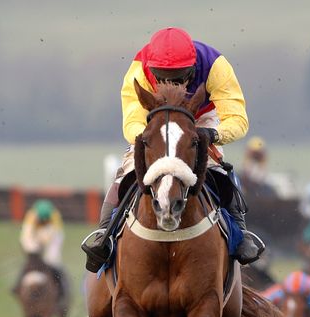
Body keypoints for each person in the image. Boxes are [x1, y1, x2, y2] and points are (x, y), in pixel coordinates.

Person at [81, 27, 264, 272]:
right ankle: (104, 233)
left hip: (200, 117)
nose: (172, 84)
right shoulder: (138, 69)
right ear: (152, 69)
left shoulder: (215, 65)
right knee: (127, 168)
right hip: (155, 120)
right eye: (164, 78)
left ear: (193, 67)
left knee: (215, 168)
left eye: (179, 77)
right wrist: (151, 139)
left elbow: (237, 118)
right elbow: (133, 121)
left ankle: (241, 234)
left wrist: (213, 135)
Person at [13, 199, 66, 295]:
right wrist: (33, 252)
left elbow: (56, 238)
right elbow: (26, 237)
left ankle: (62, 288)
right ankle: (18, 285)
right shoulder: (31, 216)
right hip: (35, 236)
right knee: (31, 261)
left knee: (53, 261)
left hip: (52, 238)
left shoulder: (55, 216)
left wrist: (49, 255)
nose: (43, 222)